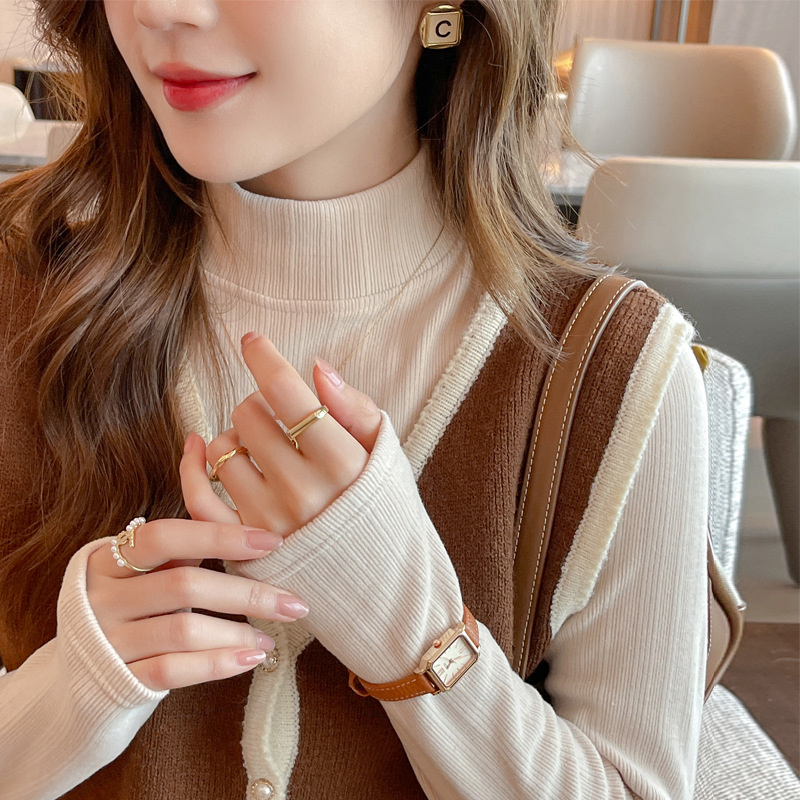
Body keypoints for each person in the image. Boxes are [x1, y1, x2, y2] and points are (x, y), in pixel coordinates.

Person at [0, 1, 709, 798]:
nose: (164, 7)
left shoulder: (615, 370)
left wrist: (409, 626)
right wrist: (69, 692)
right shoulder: (17, 292)